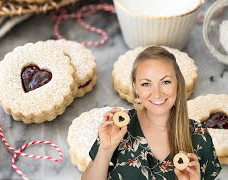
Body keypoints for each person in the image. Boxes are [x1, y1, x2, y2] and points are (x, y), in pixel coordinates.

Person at [81, 46, 222, 180]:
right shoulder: (117, 129)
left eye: (165, 82)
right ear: (136, 87)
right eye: (146, 84)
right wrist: (105, 149)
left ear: (178, 83)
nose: (157, 94)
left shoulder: (199, 137)